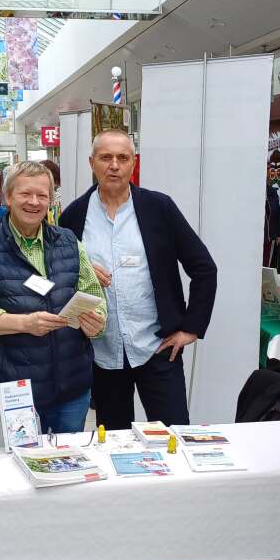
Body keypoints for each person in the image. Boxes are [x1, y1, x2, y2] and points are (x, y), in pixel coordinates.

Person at [0, 160, 107, 560]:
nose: (34, 202)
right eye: (25, 194)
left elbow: (90, 293)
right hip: (16, 386)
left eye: (43, 195)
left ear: (52, 198)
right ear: (6, 196)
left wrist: (94, 318)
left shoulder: (67, 242)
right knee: (12, 484)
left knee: (60, 482)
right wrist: (23, 322)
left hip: (69, 384)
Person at [59, 130, 217, 430]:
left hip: (157, 349)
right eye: (106, 158)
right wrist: (82, 271)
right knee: (116, 443)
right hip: (102, 355)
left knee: (175, 435)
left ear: (134, 163)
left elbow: (204, 267)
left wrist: (191, 328)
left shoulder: (159, 208)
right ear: (92, 162)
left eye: (123, 158)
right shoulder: (74, 216)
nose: (114, 165)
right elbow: (55, 276)